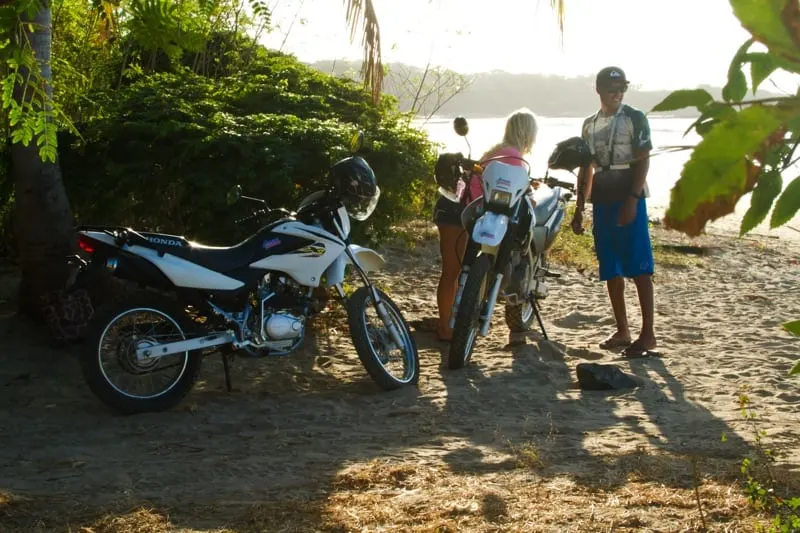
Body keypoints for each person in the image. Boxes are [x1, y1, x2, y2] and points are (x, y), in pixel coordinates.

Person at [570, 66, 657, 357]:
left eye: (621, 88)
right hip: (603, 197)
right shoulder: (589, 124)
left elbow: (643, 161)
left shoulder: (635, 118)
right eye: (612, 88)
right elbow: (586, 168)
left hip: (628, 193)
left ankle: (648, 334)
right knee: (611, 267)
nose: (617, 93)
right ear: (599, 89)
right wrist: (580, 207)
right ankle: (623, 329)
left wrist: (633, 200)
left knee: (640, 266)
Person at [433, 108, 538, 342]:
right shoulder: (514, 157)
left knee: (455, 270)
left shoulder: (497, 152)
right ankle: (445, 327)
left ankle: (449, 323)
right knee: (453, 271)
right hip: (460, 211)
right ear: (528, 133)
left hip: (457, 208)